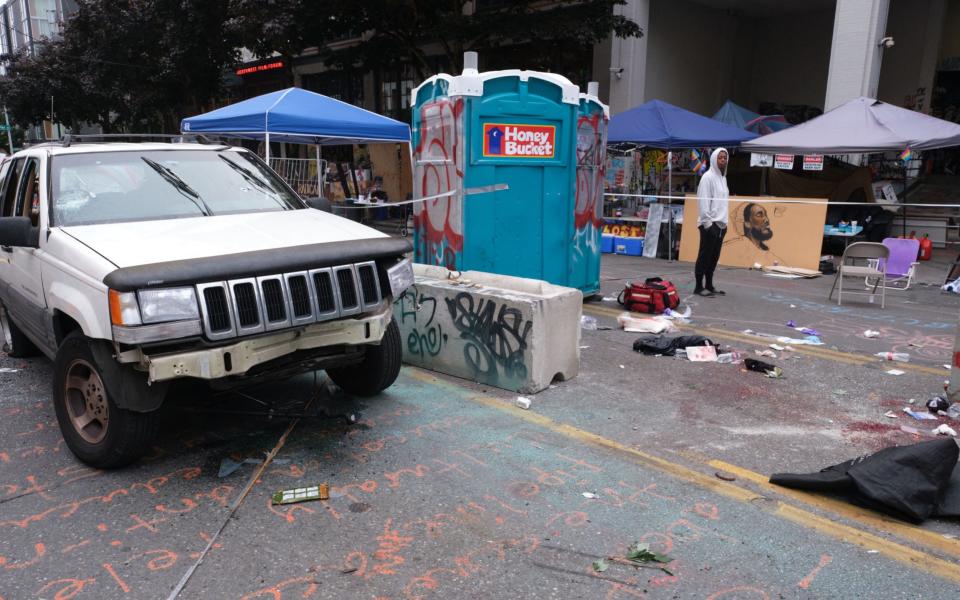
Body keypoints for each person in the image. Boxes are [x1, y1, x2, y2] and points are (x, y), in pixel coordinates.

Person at [694, 147, 729, 297]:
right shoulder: (707, 177)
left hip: (721, 225)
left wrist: (724, 224)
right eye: (720, 157)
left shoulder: (723, 178)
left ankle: (709, 284)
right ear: (714, 159)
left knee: (714, 257)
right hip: (709, 224)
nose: (723, 160)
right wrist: (708, 225)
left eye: (725, 158)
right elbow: (703, 202)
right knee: (704, 256)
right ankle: (698, 286)